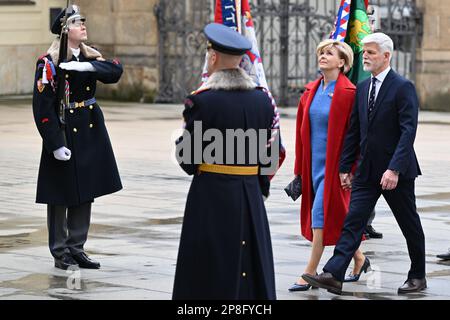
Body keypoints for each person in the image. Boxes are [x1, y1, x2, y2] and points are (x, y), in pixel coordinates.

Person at [302, 33, 426, 295]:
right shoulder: (362, 87)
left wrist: (394, 169)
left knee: (409, 224)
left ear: (386, 56)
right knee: (353, 221)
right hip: (367, 171)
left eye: (370, 52)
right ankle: (333, 273)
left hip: (396, 173)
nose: (365, 57)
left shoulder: (402, 87)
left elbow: (408, 132)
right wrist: (345, 167)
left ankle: (417, 276)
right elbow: (354, 132)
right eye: (364, 52)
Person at [172, 23, 278, 300]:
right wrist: (259, 189)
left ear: (213, 56)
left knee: (209, 267)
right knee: (251, 264)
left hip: (212, 194)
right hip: (250, 193)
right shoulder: (262, 100)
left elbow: (187, 161)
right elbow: (269, 153)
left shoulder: (203, 102)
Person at [32, 5, 123, 270]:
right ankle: (60, 251)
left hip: (89, 128)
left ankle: (77, 247)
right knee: (61, 193)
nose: (83, 25)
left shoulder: (89, 56)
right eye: (76, 22)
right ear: (64, 30)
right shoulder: (48, 62)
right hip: (63, 128)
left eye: (83, 21)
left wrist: (88, 68)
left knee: (85, 191)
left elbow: (115, 72)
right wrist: (54, 143)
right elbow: (43, 107)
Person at [288, 40, 370, 292]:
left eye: (329, 53)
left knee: (320, 218)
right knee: (339, 215)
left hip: (337, 167)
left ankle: (309, 272)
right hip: (313, 166)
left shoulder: (350, 93)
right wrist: (299, 171)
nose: (323, 56)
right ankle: (359, 258)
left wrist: (352, 169)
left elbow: (357, 135)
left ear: (342, 63)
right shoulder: (310, 91)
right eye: (321, 52)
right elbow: (302, 134)